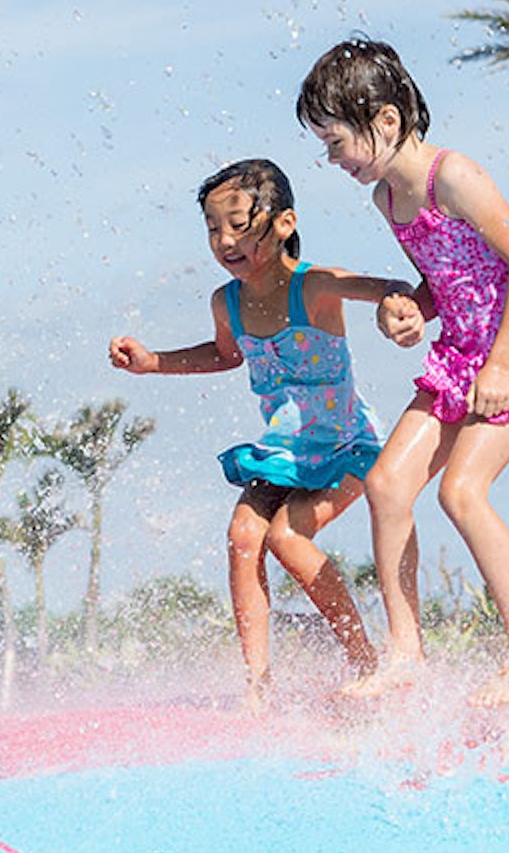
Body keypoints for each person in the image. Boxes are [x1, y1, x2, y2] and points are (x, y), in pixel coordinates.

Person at [297, 38, 509, 708]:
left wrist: (502, 364)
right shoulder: (388, 200)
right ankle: (405, 653)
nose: (331, 159)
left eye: (335, 142)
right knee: (388, 483)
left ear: (385, 121)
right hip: (460, 356)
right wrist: (411, 310)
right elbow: (446, 276)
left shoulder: (456, 176)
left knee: (461, 492)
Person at [109, 158, 408, 711]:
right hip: (284, 452)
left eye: (239, 225)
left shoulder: (312, 287)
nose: (225, 240)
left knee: (286, 539)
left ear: (284, 223)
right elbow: (224, 355)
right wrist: (153, 362)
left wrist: (396, 307)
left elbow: (384, 286)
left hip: (348, 445)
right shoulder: (227, 302)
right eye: (212, 229)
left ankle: (365, 658)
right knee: (244, 536)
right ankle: (256, 682)